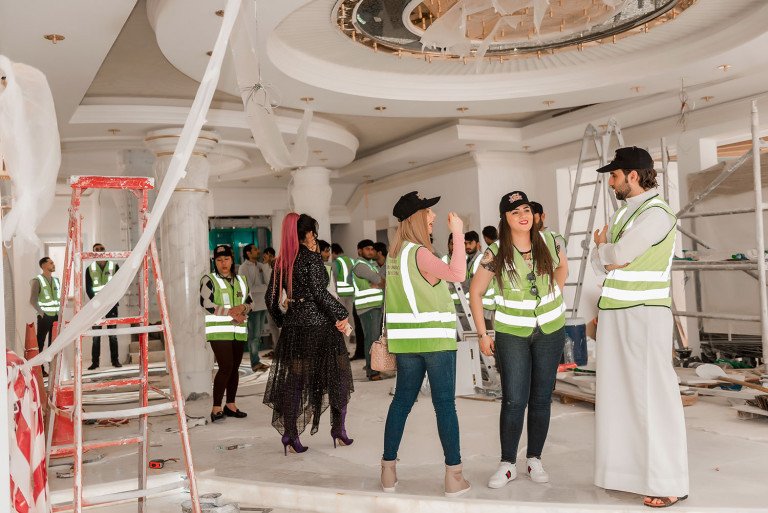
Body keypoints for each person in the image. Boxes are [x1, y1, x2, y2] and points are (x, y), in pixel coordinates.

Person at [591, 147, 688, 508]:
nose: (611, 182)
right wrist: (606, 252)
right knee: (618, 395)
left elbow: (617, 255)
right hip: (616, 311)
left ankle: (668, 481)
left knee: (653, 395)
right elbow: (603, 264)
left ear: (633, 175)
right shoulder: (622, 215)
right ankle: (627, 474)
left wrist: (605, 250)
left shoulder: (658, 213)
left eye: (614, 175)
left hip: (645, 313)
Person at [468, 190, 568, 489]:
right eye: (515, 212)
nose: (523, 215)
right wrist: (483, 334)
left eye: (526, 209)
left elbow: (562, 267)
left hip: (550, 329)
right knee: (514, 399)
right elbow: (475, 292)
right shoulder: (495, 253)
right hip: (512, 333)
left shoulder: (550, 241)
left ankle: (534, 458)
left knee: (541, 397)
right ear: (505, 219)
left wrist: (555, 293)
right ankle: (508, 463)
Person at [380, 191, 470, 497]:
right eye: (428, 212)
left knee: (401, 403)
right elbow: (458, 273)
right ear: (416, 218)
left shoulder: (395, 255)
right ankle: (454, 477)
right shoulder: (419, 253)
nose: (433, 217)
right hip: (435, 341)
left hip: (407, 344)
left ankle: (388, 473)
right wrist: (458, 232)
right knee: (445, 406)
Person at [264, 213, 354, 454]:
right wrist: (341, 313)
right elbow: (319, 293)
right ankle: (339, 429)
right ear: (305, 233)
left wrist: (286, 321)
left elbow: (270, 299)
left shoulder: (282, 261)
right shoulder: (311, 259)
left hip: (295, 329)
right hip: (320, 328)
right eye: (313, 231)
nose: (315, 235)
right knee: (338, 376)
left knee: (295, 381)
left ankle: (290, 434)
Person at [200, 244, 252, 423]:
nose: (223, 263)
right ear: (214, 261)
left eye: (226, 259)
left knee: (235, 368)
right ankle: (216, 407)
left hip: (238, 330)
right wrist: (231, 312)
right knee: (225, 367)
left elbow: (250, 302)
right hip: (219, 331)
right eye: (219, 260)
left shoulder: (241, 280)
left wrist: (242, 309)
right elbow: (206, 303)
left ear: (232, 260)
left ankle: (230, 404)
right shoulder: (209, 279)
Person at [352, 239, 384, 381]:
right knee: (371, 339)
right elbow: (379, 279)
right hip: (368, 307)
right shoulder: (360, 265)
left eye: (372, 249)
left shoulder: (370, 265)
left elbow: (381, 280)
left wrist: (379, 282)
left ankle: (375, 369)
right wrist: (378, 282)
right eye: (367, 249)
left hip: (374, 306)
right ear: (359, 251)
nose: (371, 251)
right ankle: (372, 372)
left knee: (374, 338)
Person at [86, 243, 121, 369]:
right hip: (97, 307)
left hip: (111, 304)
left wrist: (113, 300)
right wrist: (96, 302)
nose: (100, 251)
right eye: (97, 250)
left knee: (113, 334)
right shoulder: (89, 269)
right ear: (93, 252)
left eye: (102, 249)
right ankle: (95, 363)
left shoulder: (114, 266)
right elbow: (88, 289)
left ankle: (115, 361)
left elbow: (119, 285)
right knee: (96, 336)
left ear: (105, 250)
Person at [240, 244, 270, 373]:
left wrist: (266, 266)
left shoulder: (260, 266)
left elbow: (268, 283)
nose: (258, 251)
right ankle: (255, 362)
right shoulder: (243, 268)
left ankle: (256, 361)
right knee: (254, 335)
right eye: (255, 250)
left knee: (258, 335)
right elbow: (247, 288)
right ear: (248, 253)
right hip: (252, 305)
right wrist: (263, 287)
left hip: (263, 303)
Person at [30, 256, 60, 375]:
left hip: (56, 316)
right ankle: (40, 369)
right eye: (51, 263)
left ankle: (53, 367)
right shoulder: (37, 280)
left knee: (54, 343)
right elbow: (33, 300)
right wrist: (42, 313)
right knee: (40, 342)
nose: (53, 264)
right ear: (43, 266)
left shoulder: (56, 280)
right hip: (45, 317)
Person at [332, 243, 357, 353]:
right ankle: (351, 338)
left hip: (340, 294)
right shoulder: (351, 260)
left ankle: (345, 345)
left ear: (334, 252)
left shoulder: (337, 262)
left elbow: (334, 278)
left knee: (342, 320)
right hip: (351, 293)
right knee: (349, 316)